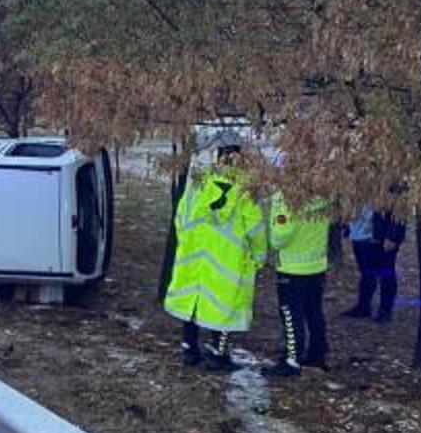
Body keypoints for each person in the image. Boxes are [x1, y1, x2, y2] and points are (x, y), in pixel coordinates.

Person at [164, 132, 267, 371]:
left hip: (194, 256)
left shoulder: (197, 183)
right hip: (227, 261)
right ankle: (218, 354)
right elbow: (255, 228)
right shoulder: (244, 189)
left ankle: (189, 348)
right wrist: (260, 256)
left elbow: (181, 216)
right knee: (225, 307)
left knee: (193, 303)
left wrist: (187, 242)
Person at [262, 193, 334, 377]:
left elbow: (280, 236)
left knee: (291, 315)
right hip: (316, 265)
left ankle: (292, 361)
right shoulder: (324, 192)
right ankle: (317, 356)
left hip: (292, 269)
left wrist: (274, 216)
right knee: (314, 312)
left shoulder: (287, 196)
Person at [342, 206, 406, 323]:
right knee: (366, 273)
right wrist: (347, 229)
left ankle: (385, 310)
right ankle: (364, 306)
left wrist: (393, 236)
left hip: (381, 237)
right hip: (359, 236)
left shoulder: (389, 188)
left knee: (386, 274)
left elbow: (400, 207)